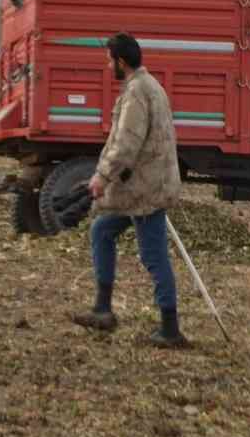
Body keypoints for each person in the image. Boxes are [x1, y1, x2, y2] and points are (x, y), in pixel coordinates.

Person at [71, 32, 188, 347]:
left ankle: (170, 329)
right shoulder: (151, 86)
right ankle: (103, 310)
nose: (108, 65)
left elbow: (126, 145)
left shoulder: (137, 92)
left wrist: (101, 178)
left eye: (109, 60)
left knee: (153, 256)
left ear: (120, 62)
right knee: (101, 231)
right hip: (143, 185)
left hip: (145, 190)